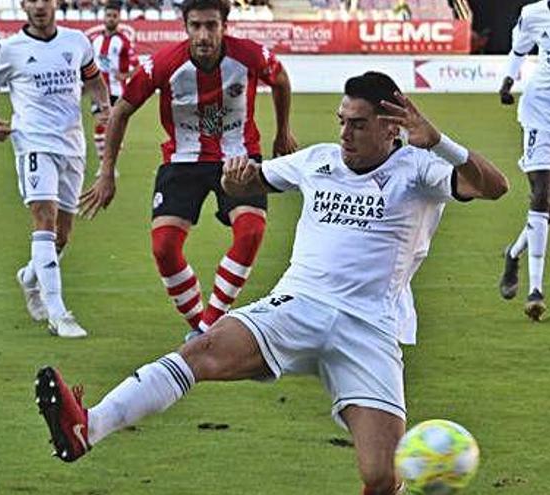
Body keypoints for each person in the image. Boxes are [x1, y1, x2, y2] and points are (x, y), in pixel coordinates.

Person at [35, 72, 508, 494]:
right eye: (341, 120)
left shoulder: (420, 170)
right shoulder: (319, 161)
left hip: (370, 327)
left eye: (358, 124)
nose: (344, 133)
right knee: (202, 349)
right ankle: (88, 427)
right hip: (298, 303)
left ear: (392, 126)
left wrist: (439, 141)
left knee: (380, 476)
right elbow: (249, 184)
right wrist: (236, 179)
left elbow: (495, 186)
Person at [80, 0, 297, 340]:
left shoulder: (249, 55)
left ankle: (209, 326)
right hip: (183, 160)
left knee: (251, 232)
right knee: (164, 246)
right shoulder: (165, 63)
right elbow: (121, 111)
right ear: (185, 26)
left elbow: (280, 79)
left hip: (238, 156)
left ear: (224, 26)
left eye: (211, 25)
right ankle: (200, 325)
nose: (204, 35)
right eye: (196, 26)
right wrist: (107, 172)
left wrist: (283, 131)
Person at [0, 0, 111, 338]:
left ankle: (30, 277)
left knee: (62, 235)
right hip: (33, 143)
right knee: (44, 219)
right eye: (31, 0)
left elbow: (95, 82)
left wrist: (101, 109)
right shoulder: (9, 49)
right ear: (23, 5)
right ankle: (58, 313)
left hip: (72, 146)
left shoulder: (77, 42)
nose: (39, 6)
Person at [498, 0, 550, 321]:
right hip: (540, 112)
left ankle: (513, 252)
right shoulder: (534, 14)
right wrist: (508, 81)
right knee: (542, 192)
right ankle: (536, 290)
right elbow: (519, 49)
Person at [88, 1, 136, 175]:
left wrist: (126, 76)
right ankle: (104, 164)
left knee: (114, 128)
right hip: (98, 91)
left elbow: (136, 64)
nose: (111, 18)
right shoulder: (95, 40)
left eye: (114, 16)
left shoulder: (123, 41)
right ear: (104, 17)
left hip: (117, 91)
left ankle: (110, 163)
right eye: (108, 15)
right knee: (101, 124)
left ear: (119, 18)